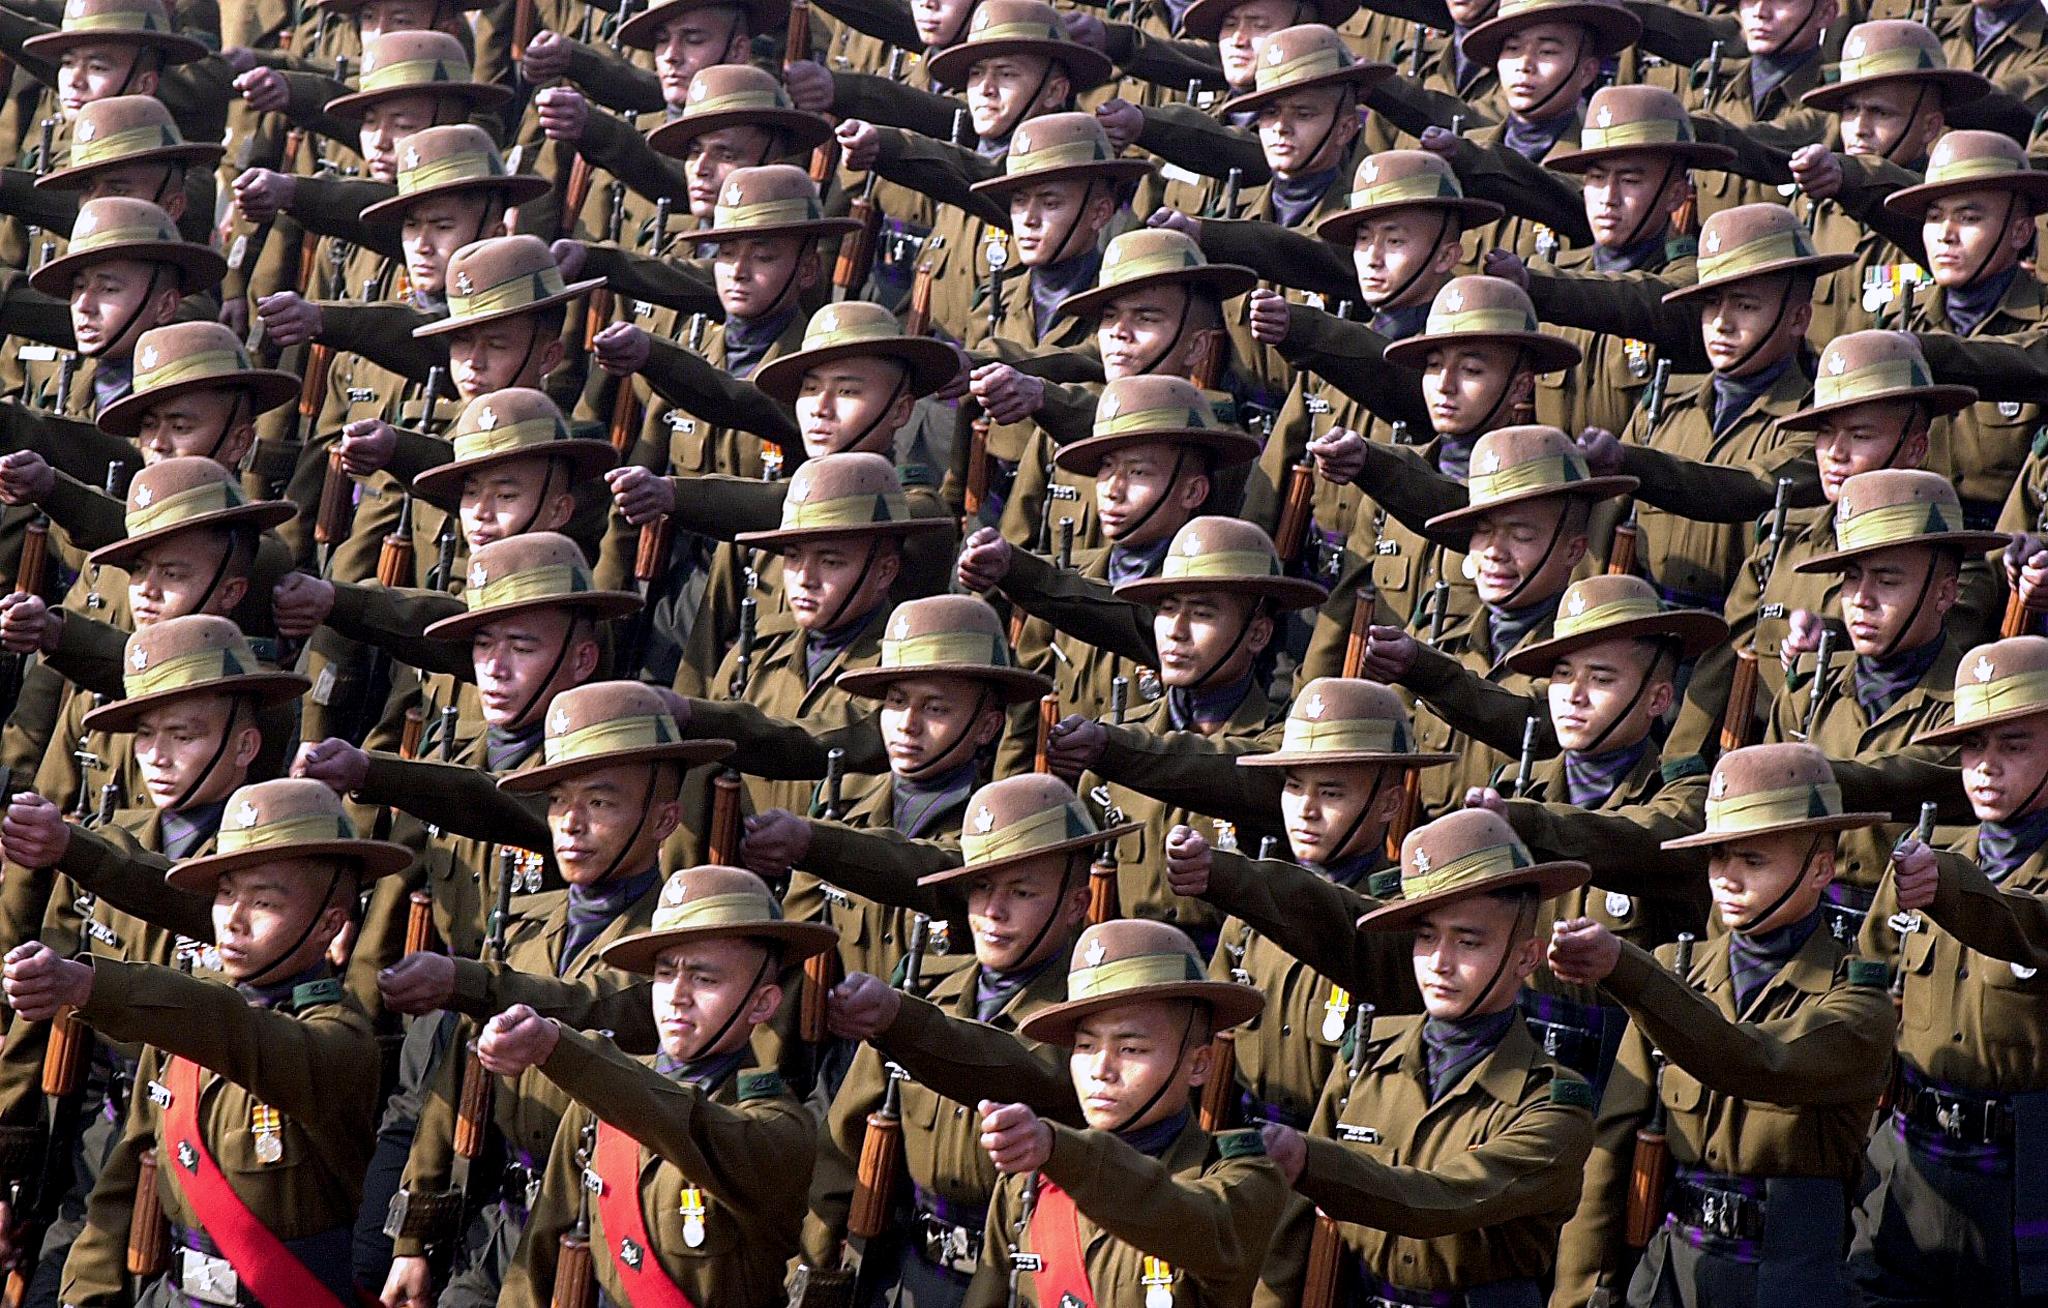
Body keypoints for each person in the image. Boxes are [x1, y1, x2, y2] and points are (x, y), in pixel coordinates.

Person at [380, 680, 732, 1308]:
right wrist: (414, 1237)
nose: (570, 823)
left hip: (599, 1236)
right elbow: (457, 1083)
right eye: (558, 800)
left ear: (663, 820)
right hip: (496, 1225)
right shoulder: (523, 924)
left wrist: (465, 981)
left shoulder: (677, 944)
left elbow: (596, 1001)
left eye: (599, 802)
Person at [7, 777, 412, 1306]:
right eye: (224, 896)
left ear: (328, 924)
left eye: (263, 903)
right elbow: (123, 1186)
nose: (232, 922)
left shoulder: (341, 1038)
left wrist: (89, 984)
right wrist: (84, 1295)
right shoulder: (183, 1019)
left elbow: (240, 1033)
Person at [0, 614, 306, 1302]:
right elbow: (34, 1006)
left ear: (244, 745)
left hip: (196, 1152)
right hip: (85, 1129)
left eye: (185, 734)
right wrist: (8, 1156)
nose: (158, 756)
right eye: (145, 736)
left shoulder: (271, 874)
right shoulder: (108, 839)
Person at [1548, 742, 1899, 1308]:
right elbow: (1610, 1153)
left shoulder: (1858, 998)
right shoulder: (1675, 974)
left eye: (1753, 860)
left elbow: (1756, 1060)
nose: (1727, 879)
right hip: (1672, 1270)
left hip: (1792, 1276)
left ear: (1821, 868)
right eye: (1717, 858)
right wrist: (1582, 1293)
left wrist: (1628, 972)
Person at [1257, 807, 1597, 1304]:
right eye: (1426, 936)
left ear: (1526, 957)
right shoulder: (1366, 1055)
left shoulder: (1552, 1102)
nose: (1439, 962)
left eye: (1468, 941)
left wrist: (1312, 1161)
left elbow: (1444, 1198)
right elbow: (1293, 1230)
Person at [487, 863, 831, 1308]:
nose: (677, 995)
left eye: (705, 978)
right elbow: (536, 1266)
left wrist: (557, 1046)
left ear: (762, 1003)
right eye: (666, 974)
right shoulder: (597, 1103)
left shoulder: (778, 1128)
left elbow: (686, 1121)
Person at [1850, 634, 2048, 1307]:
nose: (1985, 767)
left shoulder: (1939, 871)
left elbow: (2030, 922)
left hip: (2022, 1180)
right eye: (1972, 748)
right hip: (1910, 1162)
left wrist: (1950, 885)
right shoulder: (1923, 859)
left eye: (2013, 746)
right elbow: (1868, 988)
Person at [967, 916, 1286, 1308]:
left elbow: (1184, 1214)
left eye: (1131, 1049)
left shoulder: (1243, 1179)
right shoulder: (1029, 1181)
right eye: (1085, 1046)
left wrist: (1059, 1150)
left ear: (1199, 1064)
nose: (1101, 1069)